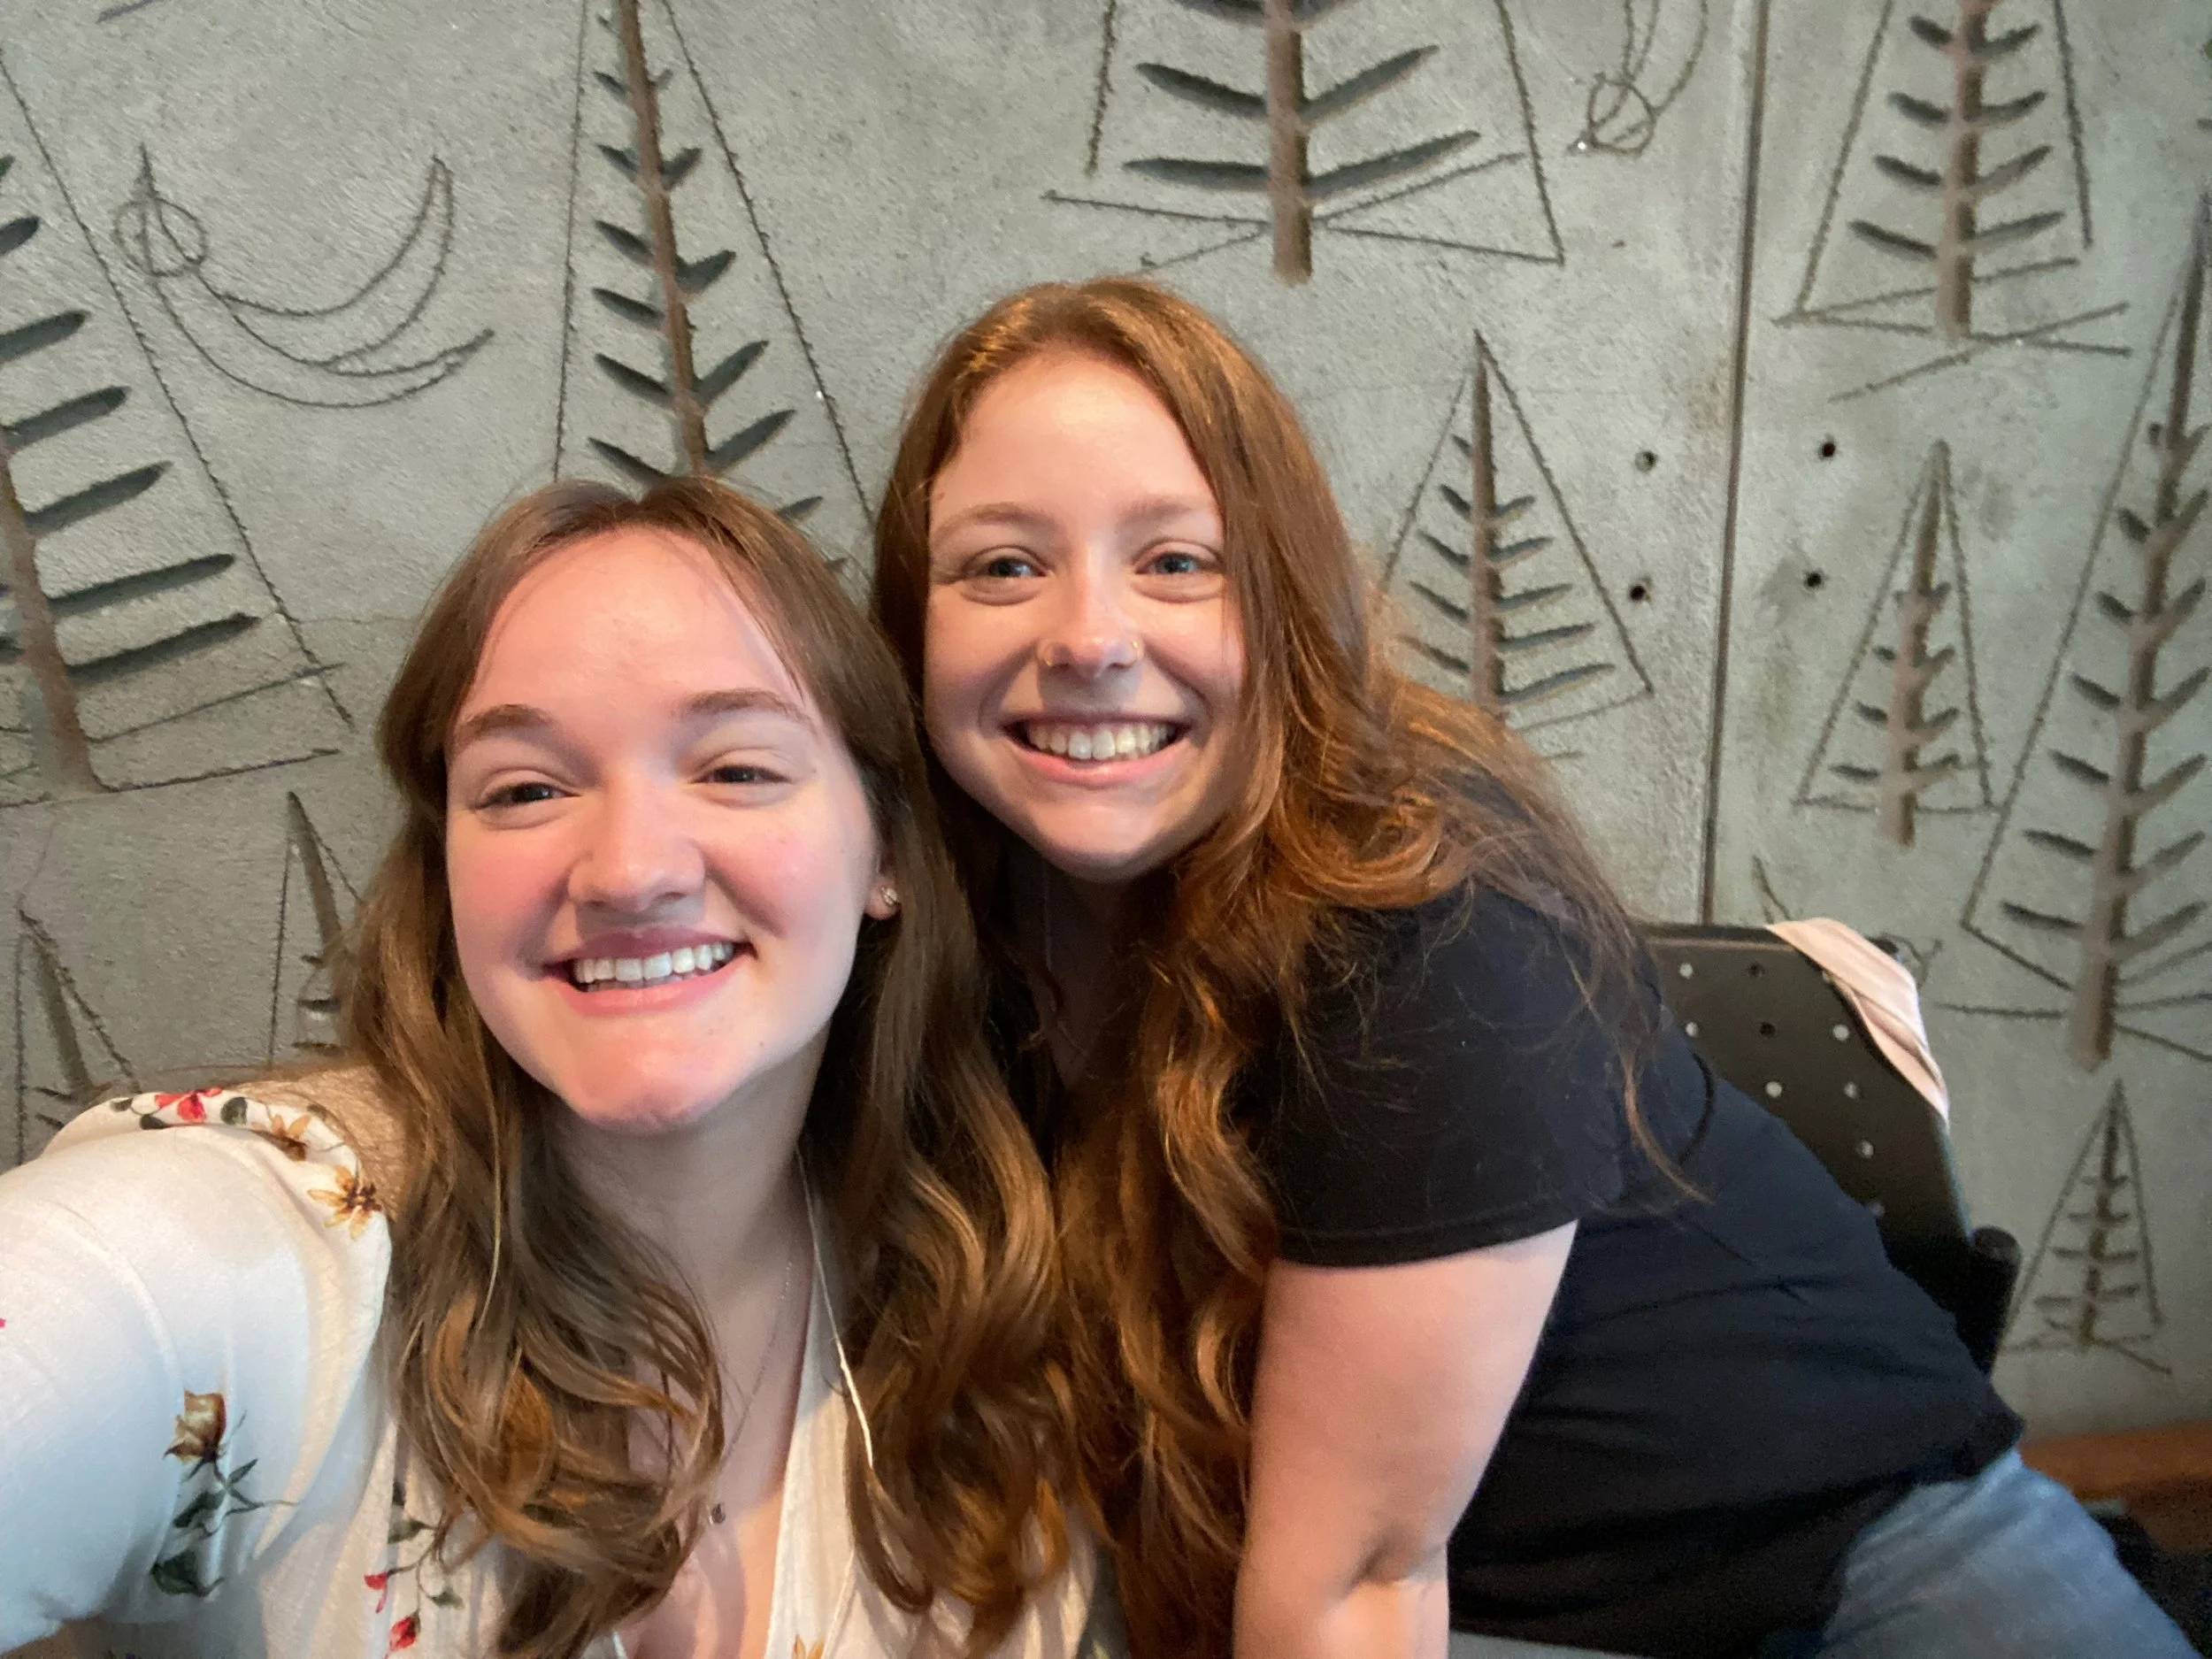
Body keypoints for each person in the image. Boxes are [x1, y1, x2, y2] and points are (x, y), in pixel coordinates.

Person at [868, 279, 2194, 1659]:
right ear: (913, 627)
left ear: (1284, 601)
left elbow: (1357, 1584)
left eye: (1179, 561)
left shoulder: (1434, 926)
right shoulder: (933, 925)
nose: (1087, 637)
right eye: (1003, 565)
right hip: (1480, 1606)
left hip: (1844, 1548)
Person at [0, 480, 1109, 1659]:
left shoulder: (986, 1307)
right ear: (451, 871)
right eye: (525, 787)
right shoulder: (256, 1252)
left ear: (883, 848)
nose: (630, 870)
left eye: (736, 768)